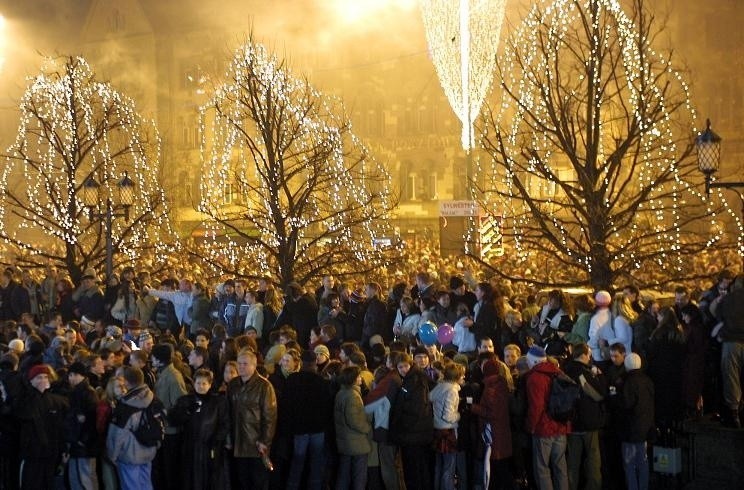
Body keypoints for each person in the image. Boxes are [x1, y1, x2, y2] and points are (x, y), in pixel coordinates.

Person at [225, 348, 278, 489]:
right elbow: (228, 413)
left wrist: (264, 441)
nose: (241, 366)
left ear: (254, 365)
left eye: (245, 364)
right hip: (238, 440)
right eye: (239, 363)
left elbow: (270, 417)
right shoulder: (233, 384)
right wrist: (228, 438)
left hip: (255, 442)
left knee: (257, 481)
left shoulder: (264, 386)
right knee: (241, 480)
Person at [169, 368, 229, 489]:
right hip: (189, 447)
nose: (201, 386)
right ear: (194, 383)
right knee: (190, 479)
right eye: (198, 383)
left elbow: (225, 423)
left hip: (210, 448)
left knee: (209, 479)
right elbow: (173, 420)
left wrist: (216, 440)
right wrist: (186, 411)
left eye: (204, 383)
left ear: (210, 384)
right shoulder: (185, 400)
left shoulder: (218, 402)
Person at [13, 364, 69, 489]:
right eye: (39, 377)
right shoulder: (25, 400)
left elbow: (59, 427)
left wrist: (63, 448)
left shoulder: (55, 401)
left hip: (50, 452)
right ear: (31, 380)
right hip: (32, 454)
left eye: (45, 377)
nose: (43, 380)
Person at [284, 350, 333, 490]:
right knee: (316, 463)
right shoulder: (322, 382)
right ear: (315, 363)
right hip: (317, 429)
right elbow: (327, 407)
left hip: (299, 429)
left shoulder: (292, 380)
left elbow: (287, 406)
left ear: (301, 363)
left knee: (297, 463)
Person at [107, 366, 163, 490]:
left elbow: (117, 435)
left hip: (129, 454)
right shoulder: (153, 398)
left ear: (126, 382)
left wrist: (112, 455)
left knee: (130, 486)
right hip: (149, 450)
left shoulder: (126, 406)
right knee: (146, 484)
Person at [524, 345, 569, 490]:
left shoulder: (535, 377)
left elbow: (536, 406)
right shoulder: (558, 372)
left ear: (533, 361)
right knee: (560, 466)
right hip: (561, 426)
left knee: (542, 468)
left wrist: (530, 426)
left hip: (543, 429)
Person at [563, 343, 606, 490]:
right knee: (593, 460)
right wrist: (600, 377)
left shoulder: (565, 370)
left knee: (572, 462)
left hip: (570, 422)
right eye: (589, 354)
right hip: (587, 421)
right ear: (583, 355)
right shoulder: (581, 372)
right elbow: (597, 394)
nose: (590, 357)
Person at [390, 352, 434, 490]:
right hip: (417, 434)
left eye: (405, 366)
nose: (404, 369)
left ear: (411, 364)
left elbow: (416, 408)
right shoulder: (413, 378)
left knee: (414, 471)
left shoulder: (413, 381)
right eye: (400, 367)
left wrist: (400, 424)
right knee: (419, 470)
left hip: (413, 434)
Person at [471, 359, 514, 490]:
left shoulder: (491, 387)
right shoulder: (501, 384)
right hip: (502, 431)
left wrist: (473, 407)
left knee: (496, 469)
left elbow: (492, 413)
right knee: (502, 468)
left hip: (493, 433)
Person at [620, 353, 654, 490]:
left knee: (629, 464)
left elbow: (626, 404)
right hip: (645, 429)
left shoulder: (628, 382)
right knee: (643, 463)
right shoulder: (648, 381)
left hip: (631, 430)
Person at [334, 365, 371, 490]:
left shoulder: (341, 392)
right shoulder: (353, 396)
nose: (361, 378)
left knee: (344, 474)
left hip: (345, 441)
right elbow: (354, 420)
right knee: (359, 476)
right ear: (354, 379)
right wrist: (367, 428)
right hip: (356, 442)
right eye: (359, 376)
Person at [65, 361, 101, 490]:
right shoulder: (82, 391)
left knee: (85, 478)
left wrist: (81, 440)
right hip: (80, 443)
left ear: (75, 375)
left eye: (70, 375)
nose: (69, 379)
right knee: (78, 477)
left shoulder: (85, 393)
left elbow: (90, 421)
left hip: (84, 444)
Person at [429, 361, 464, 490]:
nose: (464, 377)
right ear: (456, 377)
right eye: (462, 375)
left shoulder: (439, 387)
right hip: (447, 431)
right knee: (449, 467)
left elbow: (430, 398)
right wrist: (459, 415)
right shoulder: (452, 391)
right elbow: (448, 415)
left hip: (437, 429)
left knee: (439, 465)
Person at [715, 274, 744, 428]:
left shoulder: (729, 299)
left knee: (731, 376)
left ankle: (733, 413)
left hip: (731, 341)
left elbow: (718, 315)